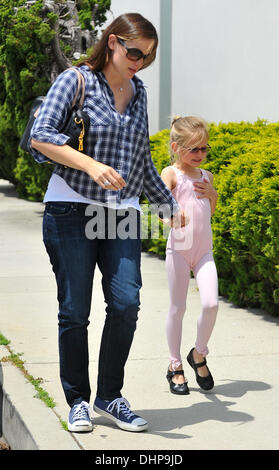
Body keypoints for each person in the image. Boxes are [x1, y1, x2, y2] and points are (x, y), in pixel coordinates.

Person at [29, 13, 183, 433]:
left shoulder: (138, 92)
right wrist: (91, 165)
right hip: (71, 209)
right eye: (134, 51)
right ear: (112, 42)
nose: (139, 61)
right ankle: (78, 399)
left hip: (122, 214)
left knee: (126, 303)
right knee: (75, 311)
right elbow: (40, 135)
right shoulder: (76, 81)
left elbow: (141, 161)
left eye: (147, 56)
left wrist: (167, 206)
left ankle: (110, 396)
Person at [161, 116, 219, 395]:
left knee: (210, 304)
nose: (200, 155)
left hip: (204, 251)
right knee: (178, 308)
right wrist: (173, 217)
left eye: (204, 149)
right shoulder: (171, 174)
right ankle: (175, 365)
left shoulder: (207, 177)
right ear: (176, 147)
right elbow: (161, 209)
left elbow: (210, 211)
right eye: (194, 149)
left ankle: (198, 354)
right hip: (179, 252)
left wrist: (213, 194)